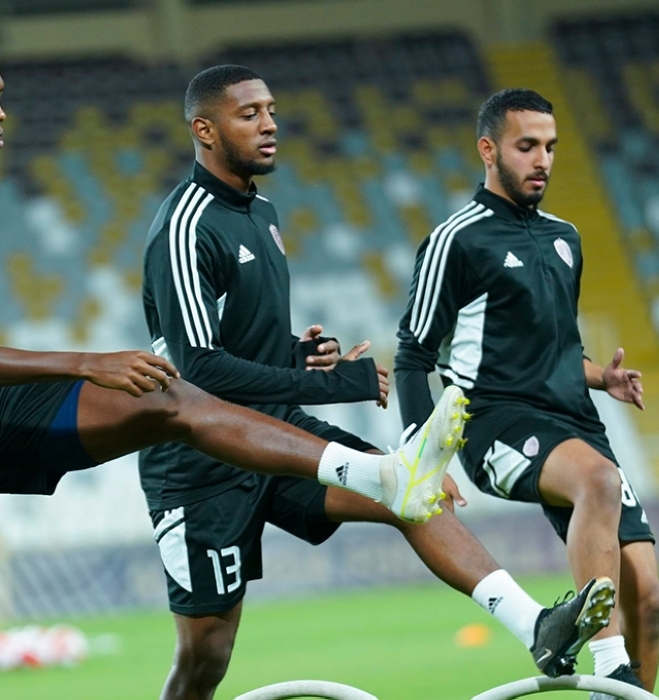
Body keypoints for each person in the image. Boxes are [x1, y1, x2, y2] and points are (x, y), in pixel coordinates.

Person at [0, 25, 463, 700]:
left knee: (171, 395)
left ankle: (376, 473)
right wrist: (88, 364)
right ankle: (379, 474)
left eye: (0, 96)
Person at [139, 66, 616, 700]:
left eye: (271, 109)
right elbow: (197, 369)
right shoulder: (185, 223)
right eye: (249, 113)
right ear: (204, 129)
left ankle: (537, 625)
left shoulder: (263, 213)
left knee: (410, 493)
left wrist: (300, 355)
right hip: (198, 459)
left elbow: (240, 343)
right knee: (207, 656)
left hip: (277, 433)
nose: (270, 123)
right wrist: (343, 384)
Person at [392, 88, 659, 697]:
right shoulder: (455, 240)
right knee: (595, 481)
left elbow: (555, 346)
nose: (542, 160)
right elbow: (412, 356)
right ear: (488, 150)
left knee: (649, 598)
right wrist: (422, 459)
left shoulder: (566, 236)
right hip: (497, 423)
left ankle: (623, 683)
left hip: (576, 422)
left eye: (550, 147)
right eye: (526, 147)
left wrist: (602, 377)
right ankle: (608, 667)